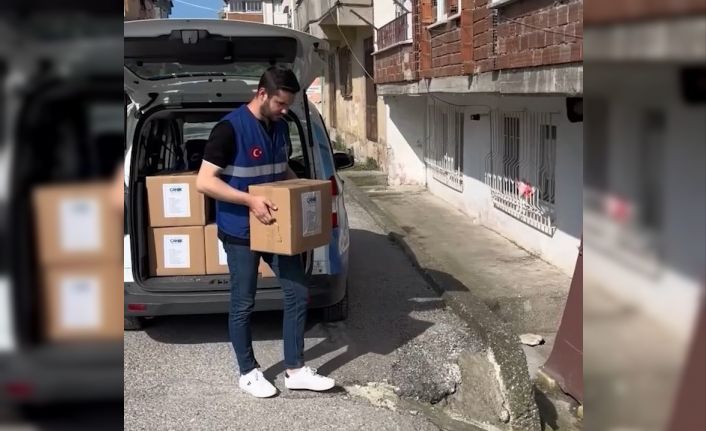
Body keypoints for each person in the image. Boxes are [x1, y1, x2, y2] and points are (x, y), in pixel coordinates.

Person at [196, 66, 335, 398]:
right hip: (240, 230)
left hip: (275, 227)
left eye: (288, 105)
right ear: (262, 94)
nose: (285, 110)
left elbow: (281, 170)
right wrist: (249, 201)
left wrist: (302, 192)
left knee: (297, 292)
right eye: (280, 103)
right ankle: (248, 372)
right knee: (244, 302)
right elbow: (204, 182)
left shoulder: (281, 127)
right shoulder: (229, 129)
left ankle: (295, 369)